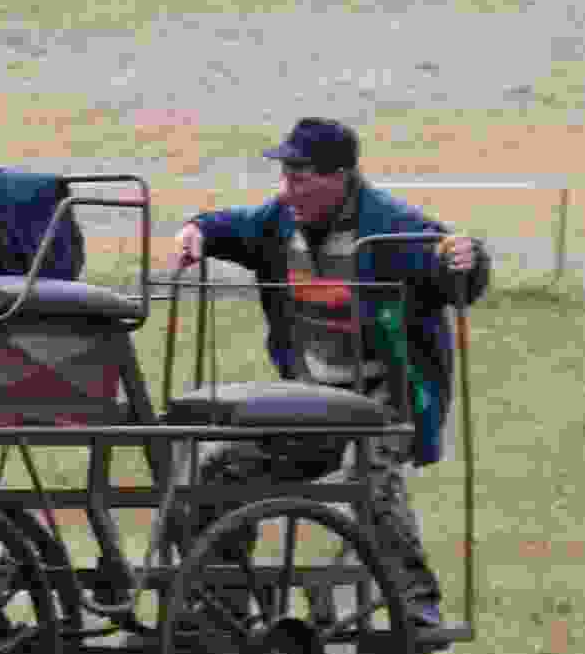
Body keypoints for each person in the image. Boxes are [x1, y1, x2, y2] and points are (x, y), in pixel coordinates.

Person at [165, 114, 487, 627]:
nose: (286, 190)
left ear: (340, 179)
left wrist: (467, 259)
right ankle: (223, 608)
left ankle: (415, 605)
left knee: (370, 479)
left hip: (386, 406)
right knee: (217, 476)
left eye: (299, 178)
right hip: (313, 406)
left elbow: (455, 268)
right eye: (285, 177)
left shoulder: (388, 230)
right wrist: (196, 230)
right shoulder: (279, 224)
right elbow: (229, 227)